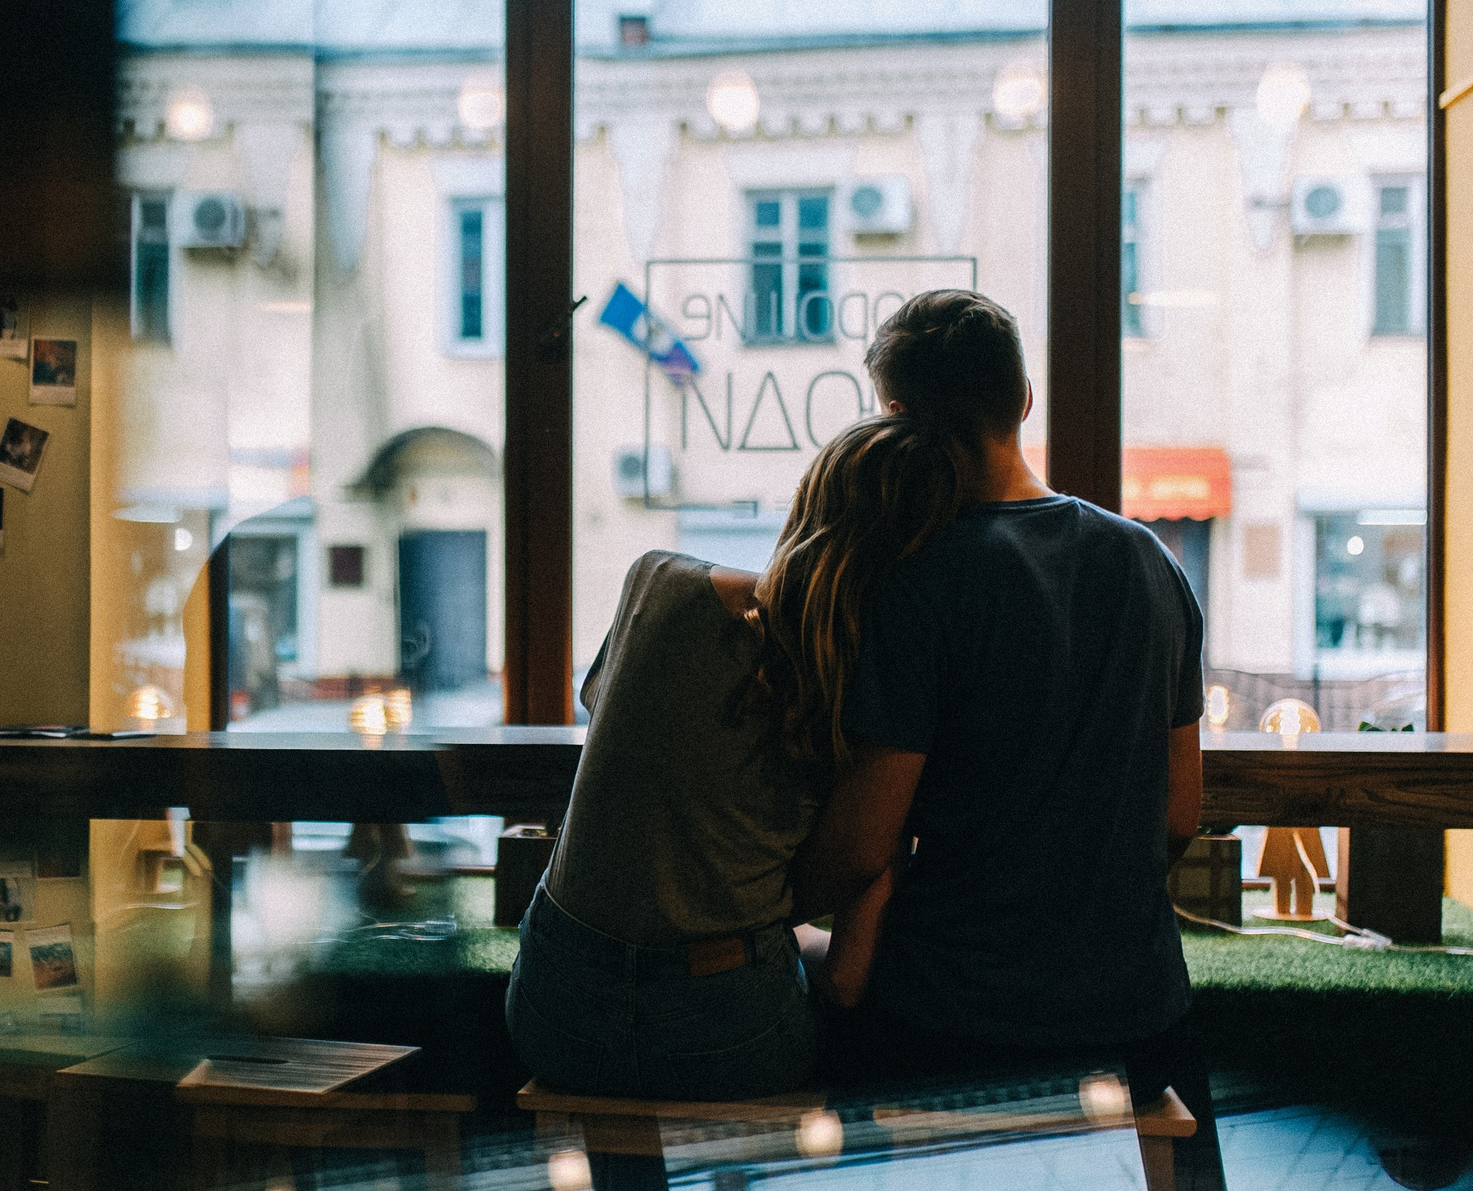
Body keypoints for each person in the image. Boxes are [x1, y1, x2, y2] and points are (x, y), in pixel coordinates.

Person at [796, 289, 1209, 1112]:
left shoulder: (914, 579)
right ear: (1024, 399)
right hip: (1138, 1023)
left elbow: (863, 847)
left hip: (952, 1028)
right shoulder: (1150, 563)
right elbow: (1178, 816)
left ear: (899, 417)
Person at [505, 416, 961, 1100]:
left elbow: (617, 723)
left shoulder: (655, 581)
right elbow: (844, 978)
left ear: (810, 497)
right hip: (723, 1033)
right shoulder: (870, 694)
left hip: (552, 1005)